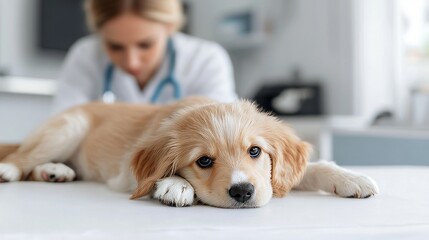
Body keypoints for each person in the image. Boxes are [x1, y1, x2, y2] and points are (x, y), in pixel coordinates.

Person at [52, 0, 237, 113]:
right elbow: (62, 125)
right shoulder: (85, 55)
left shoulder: (206, 60)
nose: (131, 61)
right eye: (115, 47)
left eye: (145, 45)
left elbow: (221, 136)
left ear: (170, 27)